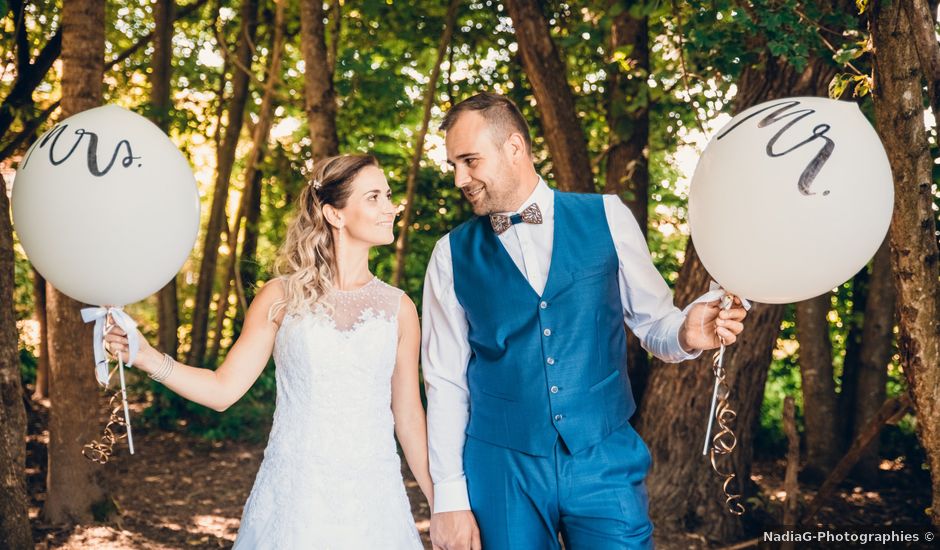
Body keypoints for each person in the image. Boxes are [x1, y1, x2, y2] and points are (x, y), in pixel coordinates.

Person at [422, 92, 748, 550]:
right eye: (454, 164)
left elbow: (655, 322)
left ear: (514, 147)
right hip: (500, 467)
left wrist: (686, 332)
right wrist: (449, 499)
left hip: (603, 456)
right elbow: (445, 381)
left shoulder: (608, 216)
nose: (460, 178)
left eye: (469, 160)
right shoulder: (449, 255)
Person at [104, 154, 431, 549]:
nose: (390, 208)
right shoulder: (281, 297)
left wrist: (440, 502)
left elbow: (409, 416)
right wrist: (144, 356)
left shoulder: (399, 309)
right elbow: (223, 391)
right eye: (374, 197)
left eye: (389, 195)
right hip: (294, 500)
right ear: (335, 214)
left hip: (375, 506)